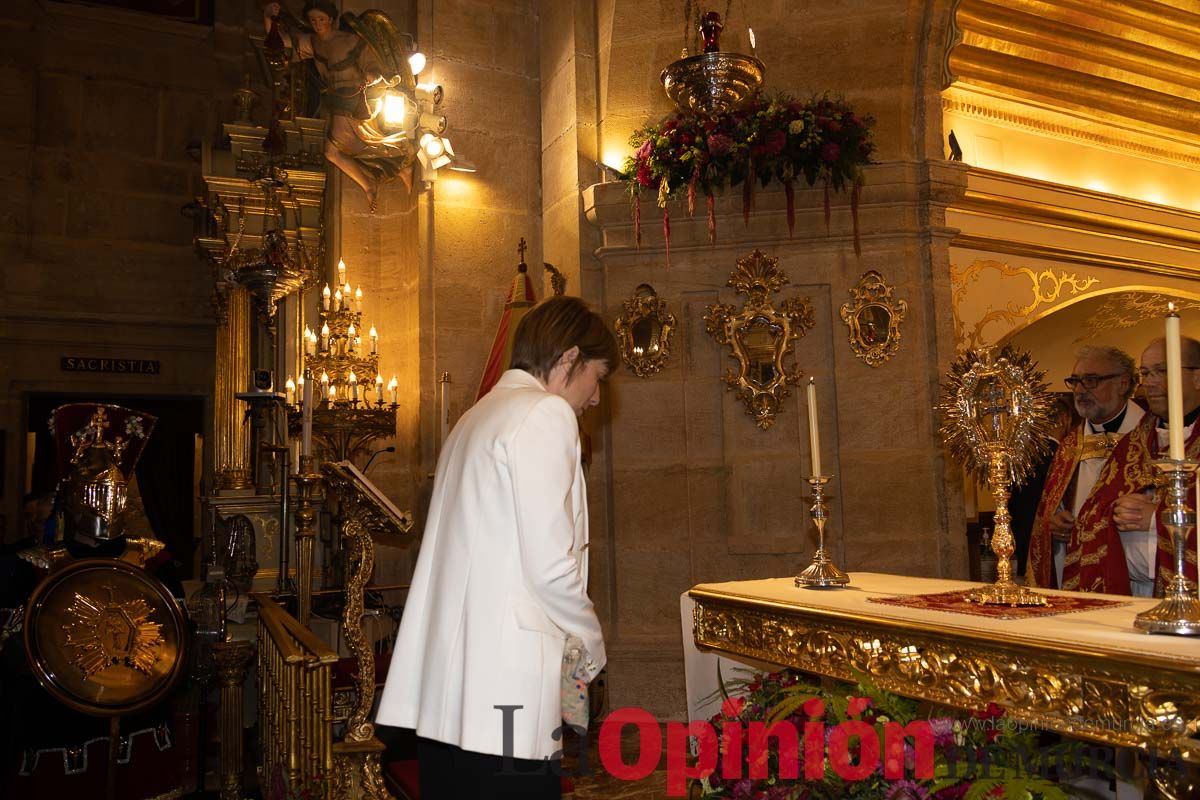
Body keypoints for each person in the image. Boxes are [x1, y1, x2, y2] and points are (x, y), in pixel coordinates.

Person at [377, 296, 617, 799]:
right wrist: (592, 643)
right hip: (506, 687)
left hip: (452, 696)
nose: (597, 397)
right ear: (570, 359)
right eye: (599, 375)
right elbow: (550, 566)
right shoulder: (544, 414)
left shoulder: (476, 416)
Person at [1027, 345, 1146, 594]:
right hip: (1077, 573)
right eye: (1076, 381)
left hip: (1136, 576)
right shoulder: (1069, 447)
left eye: (1091, 380)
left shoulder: (1151, 439)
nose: (1080, 390)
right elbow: (1048, 514)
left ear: (1123, 384)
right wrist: (1054, 524)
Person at [262, 0, 389, 209]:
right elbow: (276, 41)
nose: (317, 24)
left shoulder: (350, 40)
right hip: (336, 101)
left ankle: (373, 180)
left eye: (321, 19)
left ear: (331, 19)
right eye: (313, 20)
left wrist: (372, 75)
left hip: (354, 97)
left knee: (343, 149)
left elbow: (372, 64)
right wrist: (268, 17)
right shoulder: (313, 42)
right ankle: (371, 181)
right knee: (337, 151)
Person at [1103, 336, 1200, 596]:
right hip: (1134, 591)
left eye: (1161, 371)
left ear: (1197, 378)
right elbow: (1096, 512)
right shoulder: (1133, 443)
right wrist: (1116, 511)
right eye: (1145, 373)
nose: (1149, 383)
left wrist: (1156, 518)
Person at [1010, 394, 1077, 578]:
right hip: (1053, 551)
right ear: (1065, 419)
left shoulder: (1019, 459)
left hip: (1019, 551)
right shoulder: (1062, 459)